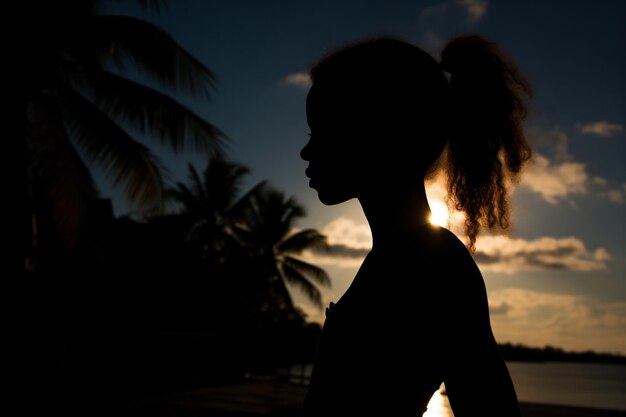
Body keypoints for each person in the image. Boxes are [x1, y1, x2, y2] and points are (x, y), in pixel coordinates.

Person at [299, 35, 532, 417]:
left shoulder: (432, 265)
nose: (307, 151)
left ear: (381, 134)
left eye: (324, 132)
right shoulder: (405, 255)